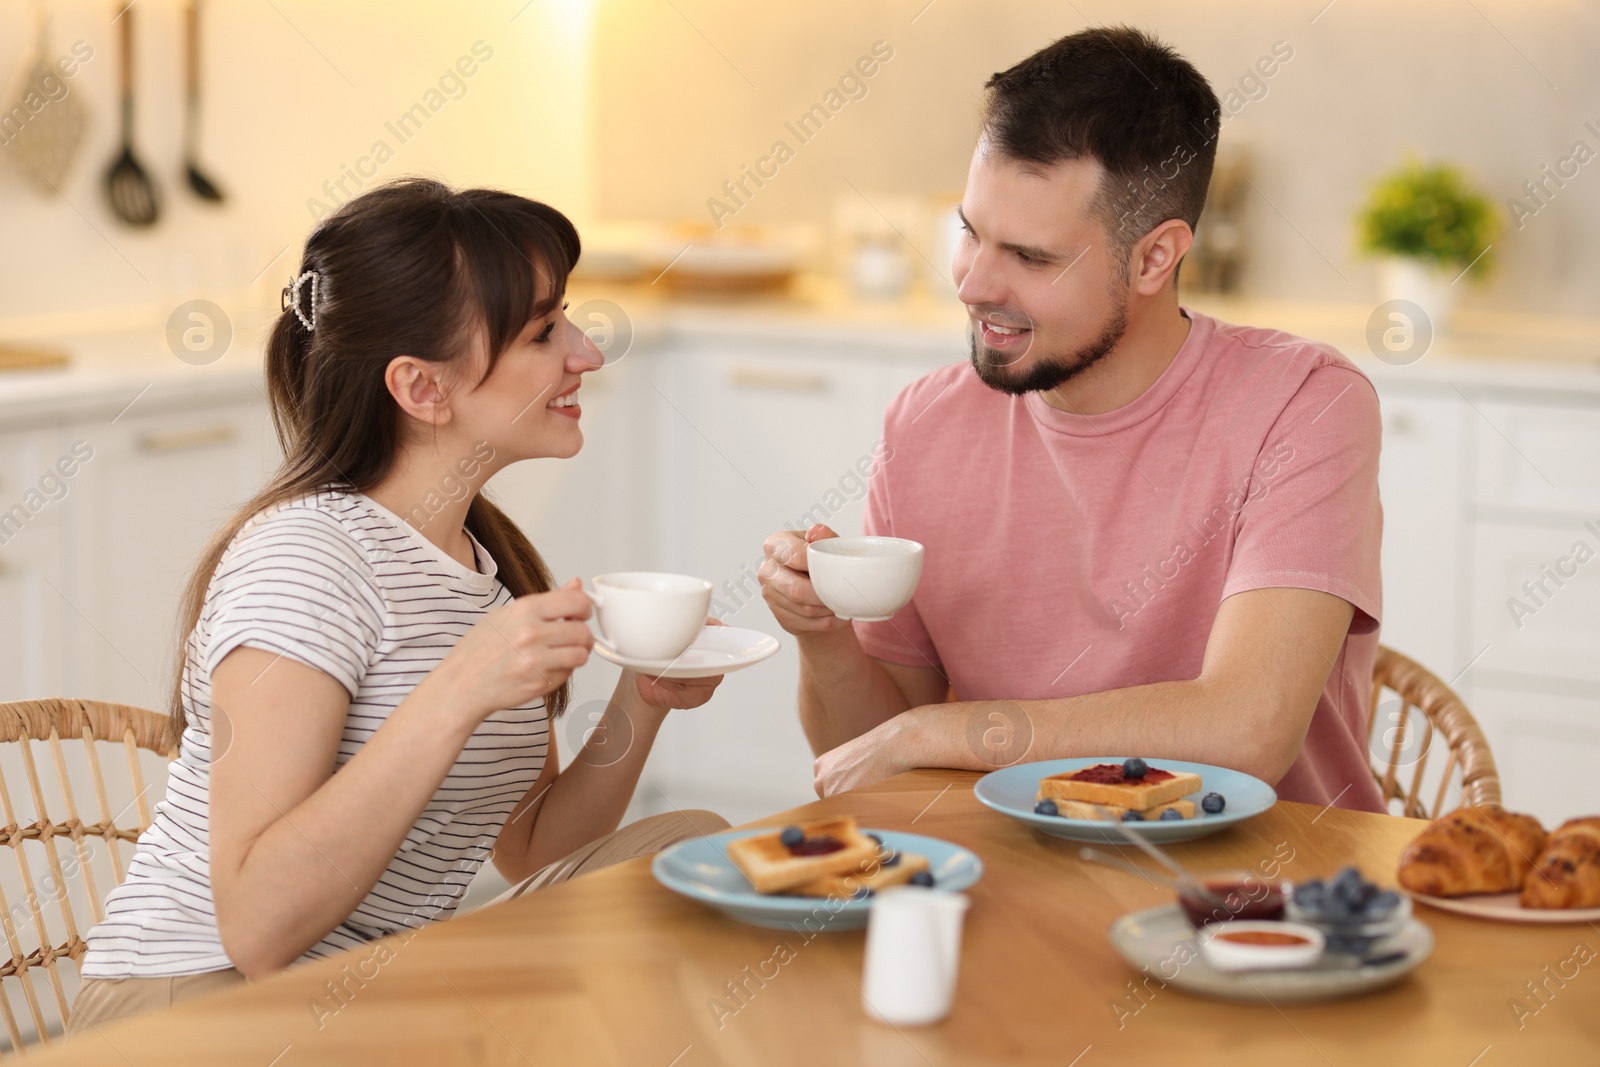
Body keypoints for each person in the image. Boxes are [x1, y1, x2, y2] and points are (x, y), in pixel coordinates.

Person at [70, 180, 728, 1032]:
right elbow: (260, 929)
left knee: (689, 851)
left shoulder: (486, 573)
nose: (587, 353)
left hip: (367, 991)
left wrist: (642, 698)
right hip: (202, 1002)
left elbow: (531, 848)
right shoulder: (305, 560)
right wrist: (458, 689)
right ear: (423, 388)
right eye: (543, 332)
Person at [759, 27, 1386, 813]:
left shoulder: (1303, 404)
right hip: (1013, 884)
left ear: (1155, 258)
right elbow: (874, 756)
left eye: (1031, 257)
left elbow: (1246, 727)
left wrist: (940, 732)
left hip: (1268, 906)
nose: (973, 283)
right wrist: (824, 638)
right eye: (969, 233)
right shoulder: (926, 424)